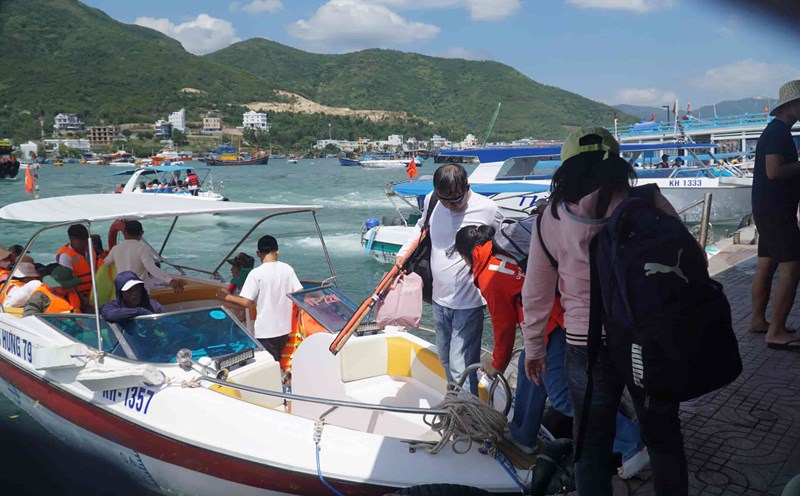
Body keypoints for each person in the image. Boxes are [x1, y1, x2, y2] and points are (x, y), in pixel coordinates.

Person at [522, 127, 686, 495]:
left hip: (585, 345)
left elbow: (536, 293)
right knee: (663, 438)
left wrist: (534, 347)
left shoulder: (551, 218)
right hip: (648, 338)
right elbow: (689, 266)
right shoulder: (648, 202)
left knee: (590, 445)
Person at [453, 225, 649, 478]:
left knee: (563, 397)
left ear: (465, 255)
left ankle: (632, 443)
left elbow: (503, 326)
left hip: (554, 326)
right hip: (559, 317)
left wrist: (497, 364)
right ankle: (524, 434)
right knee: (528, 368)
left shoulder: (490, 275)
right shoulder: (502, 253)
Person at [396, 163, 503, 395]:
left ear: (467, 187)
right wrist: (402, 254)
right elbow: (420, 226)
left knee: (460, 365)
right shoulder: (432, 201)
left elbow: (505, 243)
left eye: (456, 200)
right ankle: (458, 405)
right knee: (445, 358)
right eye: (445, 200)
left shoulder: (488, 209)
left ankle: (468, 419)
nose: (450, 206)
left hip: (469, 301)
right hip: (438, 299)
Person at [749, 79, 800, 351]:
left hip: (767, 208)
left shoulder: (775, 132)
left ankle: (758, 320)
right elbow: (774, 171)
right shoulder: (778, 133)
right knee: (792, 267)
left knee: (766, 265)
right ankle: (776, 332)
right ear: (791, 105)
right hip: (777, 211)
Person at [216, 235, 302, 362]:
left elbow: (246, 301)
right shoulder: (287, 269)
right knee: (278, 361)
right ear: (277, 250)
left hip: (265, 331)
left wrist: (226, 296)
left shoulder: (256, 274)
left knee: (270, 365)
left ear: (258, 253)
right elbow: (299, 293)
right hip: (284, 329)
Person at [103, 220, 185, 293]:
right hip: (139, 291)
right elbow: (152, 268)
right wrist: (169, 280)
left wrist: (104, 256)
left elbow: (106, 262)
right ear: (142, 233)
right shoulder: (143, 248)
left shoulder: (116, 248)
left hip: (122, 290)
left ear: (125, 232)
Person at [101, 271, 165, 323]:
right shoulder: (111, 306)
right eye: (129, 290)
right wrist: (140, 312)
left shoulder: (153, 305)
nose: (135, 293)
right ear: (121, 293)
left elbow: (167, 322)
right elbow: (109, 315)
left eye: (137, 288)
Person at [23, 266, 90, 316]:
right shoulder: (40, 297)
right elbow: (29, 317)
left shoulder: (73, 292)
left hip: (79, 329)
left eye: (69, 286)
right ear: (53, 285)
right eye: (64, 287)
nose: (67, 289)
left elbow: (86, 308)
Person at [55, 224, 97, 297]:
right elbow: (67, 282)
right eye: (81, 240)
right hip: (79, 297)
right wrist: (83, 301)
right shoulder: (65, 256)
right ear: (71, 239)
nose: (84, 243)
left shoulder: (90, 249)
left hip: (94, 294)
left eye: (86, 240)